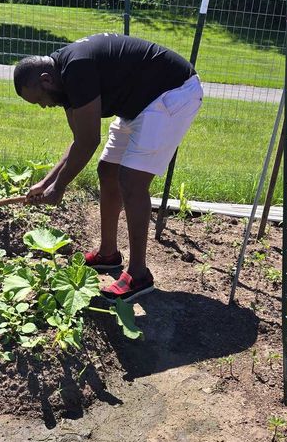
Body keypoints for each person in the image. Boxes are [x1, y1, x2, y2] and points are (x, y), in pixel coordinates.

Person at [13, 32, 203, 301]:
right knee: (108, 170)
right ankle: (108, 253)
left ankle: (138, 275)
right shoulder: (62, 78)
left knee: (131, 181)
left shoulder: (76, 70)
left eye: (40, 100)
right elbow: (80, 140)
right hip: (139, 102)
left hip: (171, 93)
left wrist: (60, 187)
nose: (44, 106)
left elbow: (90, 141)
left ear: (46, 80)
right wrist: (47, 182)